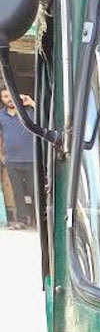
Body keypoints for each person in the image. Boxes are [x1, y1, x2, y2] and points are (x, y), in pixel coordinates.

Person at [0, 87, 36, 229]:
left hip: (31, 159)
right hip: (12, 160)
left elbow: (46, 118)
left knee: (34, 190)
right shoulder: (1, 116)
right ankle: (21, 221)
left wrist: (32, 102)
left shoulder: (28, 113)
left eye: (10, 95)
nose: (8, 99)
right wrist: (2, 156)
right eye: (4, 96)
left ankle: (39, 220)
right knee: (18, 191)